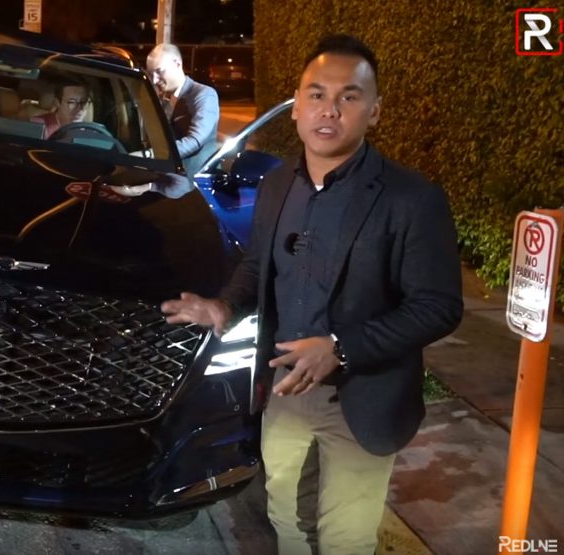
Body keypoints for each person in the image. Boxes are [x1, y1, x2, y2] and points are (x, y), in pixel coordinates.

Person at [160, 34, 462, 554]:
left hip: (364, 397)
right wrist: (226, 305)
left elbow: (439, 306)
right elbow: (259, 263)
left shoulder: (412, 199)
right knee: (286, 518)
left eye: (349, 96)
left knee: (346, 538)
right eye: (317, 94)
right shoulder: (278, 185)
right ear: (297, 106)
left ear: (374, 111)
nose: (330, 110)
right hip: (285, 392)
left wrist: (341, 348)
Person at [145, 44, 219, 176]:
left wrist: (150, 154)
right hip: (166, 175)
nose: (155, 80)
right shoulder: (162, 98)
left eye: (159, 71)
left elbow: (195, 140)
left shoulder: (204, 94)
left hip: (194, 179)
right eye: (151, 74)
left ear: (177, 64)